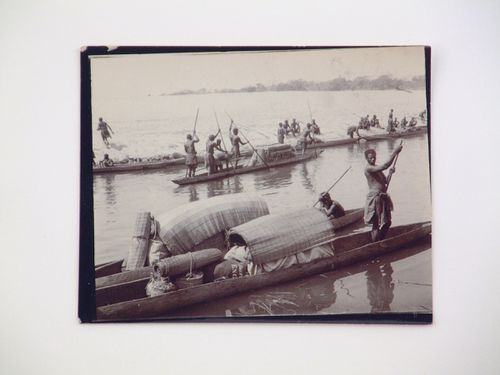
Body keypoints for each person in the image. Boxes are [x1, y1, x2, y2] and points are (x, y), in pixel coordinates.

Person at [363, 145, 403, 242]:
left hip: (383, 196)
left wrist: (390, 173)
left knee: (387, 222)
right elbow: (385, 165)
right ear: (366, 159)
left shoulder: (377, 168)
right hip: (375, 198)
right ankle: (376, 243)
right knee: (376, 223)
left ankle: (379, 240)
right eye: (370, 158)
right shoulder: (368, 168)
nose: (373, 159)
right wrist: (395, 151)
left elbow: (385, 182)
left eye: (374, 157)